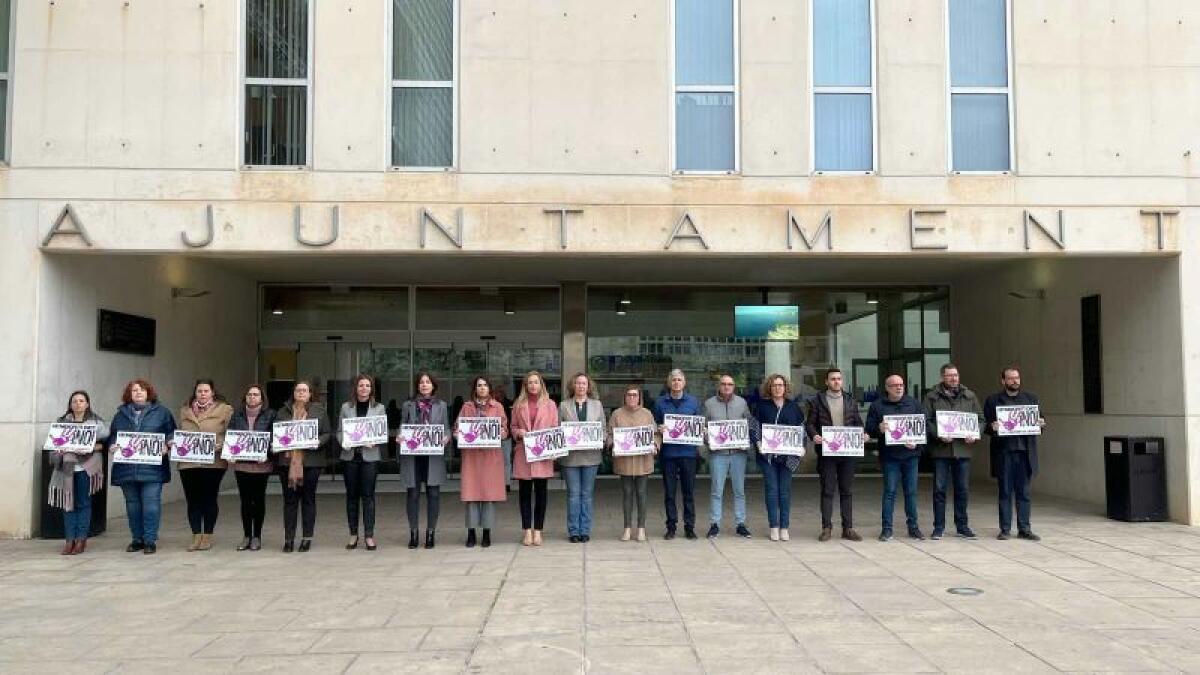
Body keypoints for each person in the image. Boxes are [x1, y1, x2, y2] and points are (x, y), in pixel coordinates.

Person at [108, 379, 176, 555]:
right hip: (127, 468)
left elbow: (172, 433)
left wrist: (168, 445)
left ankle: (150, 540)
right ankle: (136, 539)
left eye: (141, 390)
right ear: (129, 395)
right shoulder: (120, 415)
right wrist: (112, 445)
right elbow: (113, 436)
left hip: (152, 468)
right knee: (133, 506)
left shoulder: (162, 413)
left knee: (151, 505)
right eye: (134, 390)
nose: (138, 393)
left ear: (149, 393)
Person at [984, 366, 1046, 541]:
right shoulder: (993, 400)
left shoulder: (1031, 398)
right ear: (1003, 381)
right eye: (1011, 378)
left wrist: (1042, 423)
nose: (1015, 381)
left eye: (1017, 378)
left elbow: (1041, 421)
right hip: (1004, 452)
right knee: (1005, 491)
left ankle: (1024, 528)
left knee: (1024, 492)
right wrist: (991, 427)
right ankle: (1005, 529)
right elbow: (985, 426)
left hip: (1025, 452)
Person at [924, 363, 984, 540]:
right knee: (939, 490)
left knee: (962, 490)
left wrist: (975, 433)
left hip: (963, 450)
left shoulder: (969, 395)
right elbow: (925, 420)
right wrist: (938, 434)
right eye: (950, 375)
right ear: (942, 377)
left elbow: (980, 419)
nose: (954, 378)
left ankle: (962, 526)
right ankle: (939, 527)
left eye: (956, 375)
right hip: (941, 450)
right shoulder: (931, 397)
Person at [865, 374, 925, 542]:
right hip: (890, 456)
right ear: (887, 388)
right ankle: (887, 529)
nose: (899, 387)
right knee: (890, 492)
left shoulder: (914, 404)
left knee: (911, 493)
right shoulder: (877, 406)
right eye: (894, 385)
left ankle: (913, 528)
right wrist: (878, 428)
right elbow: (869, 429)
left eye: (901, 385)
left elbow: (923, 428)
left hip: (911, 456)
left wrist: (917, 445)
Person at [807, 367, 865, 542]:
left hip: (847, 453)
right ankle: (826, 527)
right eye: (832, 379)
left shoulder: (850, 400)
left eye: (839, 378)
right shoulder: (817, 400)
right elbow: (809, 424)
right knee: (827, 490)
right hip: (827, 453)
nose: (836, 382)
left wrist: (863, 433)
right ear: (826, 382)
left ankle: (848, 528)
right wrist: (814, 435)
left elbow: (858, 423)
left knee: (847, 491)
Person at [47, 391, 107, 555]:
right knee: (68, 504)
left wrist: (95, 446)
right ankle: (69, 540)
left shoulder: (96, 423)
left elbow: (105, 442)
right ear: (70, 404)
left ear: (87, 404)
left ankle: (81, 539)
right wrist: (58, 450)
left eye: (82, 401)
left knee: (83, 503)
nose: (78, 404)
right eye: (75, 401)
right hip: (66, 469)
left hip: (86, 468)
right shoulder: (62, 423)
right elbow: (53, 446)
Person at [177, 379, 234, 552]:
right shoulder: (185, 410)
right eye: (199, 391)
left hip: (213, 462)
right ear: (195, 392)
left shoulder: (225, 409)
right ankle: (196, 535)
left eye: (206, 391)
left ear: (213, 392)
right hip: (189, 462)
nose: (202, 394)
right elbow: (180, 432)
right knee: (192, 500)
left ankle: (207, 535)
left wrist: (221, 443)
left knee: (209, 498)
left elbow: (232, 432)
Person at [275, 380, 330, 552]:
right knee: (289, 501)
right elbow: (275, 432)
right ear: (294, 393)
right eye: (298, 390)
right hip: (287, 463)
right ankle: (289, 539)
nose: (301, 393)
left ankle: (307, 538)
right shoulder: (283, 412)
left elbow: (327, 432)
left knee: (308, 500)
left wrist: (318, 441)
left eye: (304, 390)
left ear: (310, 393)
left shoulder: (319, 411)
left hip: (311, 462)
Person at [751, 374, 806, 542]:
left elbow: (801, 429)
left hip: (787, 457)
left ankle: (784, 527)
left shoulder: (793, 407)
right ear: (769, 387)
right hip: (767, 456)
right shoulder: (761, 406)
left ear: (785, 387)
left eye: (780, 385)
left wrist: (802, 446)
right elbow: (754, 426)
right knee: (772, 490)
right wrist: (758, 442)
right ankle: (773, 526)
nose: (777, 388)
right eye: (774, 385)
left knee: (785, 492)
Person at [400, 372, 452, 550]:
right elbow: (403, 425)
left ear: (433, 385)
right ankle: (413, 533)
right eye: (421, 382)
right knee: (412, 494)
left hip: (433, 456)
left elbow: (446, 428)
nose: (424, 385)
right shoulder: (408, 405)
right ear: (417, 386)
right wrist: (400, 436)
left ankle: (431, 533)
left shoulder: (442, 405)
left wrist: (447, 437)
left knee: (434, 494)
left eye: (427, 382)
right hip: (413, 455)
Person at [457, 376, 509, 548]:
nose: (482, 388)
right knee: (471, 495)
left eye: (485, 385)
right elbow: (457, 427)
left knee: (488, 495)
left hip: (490, 457)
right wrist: (458, 434)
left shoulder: (498, 406)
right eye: (479, 385)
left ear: (489, 388)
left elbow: (504, 428)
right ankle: (471, 532)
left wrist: (501, 432)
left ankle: (487, 532)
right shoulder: (467, 406)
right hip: (472, 457)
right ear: (475, 388)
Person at [702, 373, 754, 539]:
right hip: (718, 454)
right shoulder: (709, 404)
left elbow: (748, 423)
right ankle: (715, 524)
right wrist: (708, 439)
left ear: (734, 387)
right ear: (719, 386)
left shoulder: (742, 402)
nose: (726, 387)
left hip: (738, 454)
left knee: (739, 491)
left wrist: (747, 437)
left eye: (730, 384)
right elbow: (702, 428)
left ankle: (740, 524)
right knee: (717, 490)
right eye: (723, 384)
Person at [653, 369, 703, 540]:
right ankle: (671, 526)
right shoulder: (660, 402)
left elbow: (698, 424)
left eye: (679, 380)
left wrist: (701, 431)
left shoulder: (693, 402)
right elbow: (655, 424)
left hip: (688, 454)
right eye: (673, 380)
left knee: (689, 492)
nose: (676, 383)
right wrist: (658, 428)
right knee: (669, 493)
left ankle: (690, 527)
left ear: (684, 382)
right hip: (668, 454)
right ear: (669, 382)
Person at [558, 372, 608, 543]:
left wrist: (600, 439)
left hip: (591, 457)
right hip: (570, 458)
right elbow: (558, 430)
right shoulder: (564, 405)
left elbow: (603, 428)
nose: (581, 386)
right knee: (573, 495)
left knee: (586, 495)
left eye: (584, 383)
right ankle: (574, 531)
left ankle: (585, 530)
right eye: (578, 383)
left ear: (588, 386)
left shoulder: (597, 405)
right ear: (573, 386)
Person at [511, 370, 558, 546]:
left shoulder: (550, 404)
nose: (533, 385)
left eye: (536, 382)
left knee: (541, 494)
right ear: (525, 385)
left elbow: (555, 427)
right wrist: (519, 432)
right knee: (524, 494)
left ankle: (538, 531)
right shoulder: (518, 404)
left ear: (541, 384)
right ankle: (526, 531)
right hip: (523, 453)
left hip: (542, 454)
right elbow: (513, 427)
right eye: (529, 382)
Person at [339, 374, 386, 551]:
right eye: (361, 385)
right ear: (356, 388)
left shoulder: (379, 408)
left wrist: (376, 440)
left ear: (372, 388)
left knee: (368, 497)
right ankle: (353, 534)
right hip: (350, 457)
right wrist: (344, 441)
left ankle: (369, 535)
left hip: (370, 458)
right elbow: (339, 430)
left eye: (367, 385)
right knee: (351, 497)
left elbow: (382, 431)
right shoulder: (346, 407)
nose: (364, 388)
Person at [228, 384, 276, 551]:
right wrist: (230, 454)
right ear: (245, 397)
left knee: (259, 500)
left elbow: (274, 439)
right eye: (249, 394)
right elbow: (231, 435)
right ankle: (246, 535)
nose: (252, 397)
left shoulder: (270, 415)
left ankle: (257, 536)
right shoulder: (237, 415)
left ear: (262, 398)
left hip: (261, 466)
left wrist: (268, 452)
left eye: (256, 395)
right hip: (242, 466)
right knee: (245, 502)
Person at [610, 385, 661, 542]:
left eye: (635, 395)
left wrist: (655, 445)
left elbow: (656, 434)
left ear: (640, 397)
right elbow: (609, 433)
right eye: (629, 395)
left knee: (641, 494)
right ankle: (626, 528)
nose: (632, 397)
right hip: (624, 461)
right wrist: (611, 444)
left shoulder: (647, 414)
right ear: (624, 397)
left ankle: (641, 528)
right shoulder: (617, 414)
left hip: (642, 460)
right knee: (627, 494)